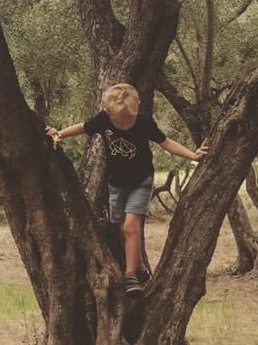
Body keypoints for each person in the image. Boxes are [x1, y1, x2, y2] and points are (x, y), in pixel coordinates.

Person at [46, 83, 208, 297]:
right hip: (116, 184)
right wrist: (58, 136)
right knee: (122, 228)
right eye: (119, 119)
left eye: (128, 118)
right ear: (107, 112)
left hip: (141, 181)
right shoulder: (103, 120)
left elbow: (166, 143)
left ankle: (130, 275)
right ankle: (140, 269)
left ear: (136, 109)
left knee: (131, 226)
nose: (124, 122)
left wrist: (193, 155)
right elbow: (82, 127)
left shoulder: (143, 123)